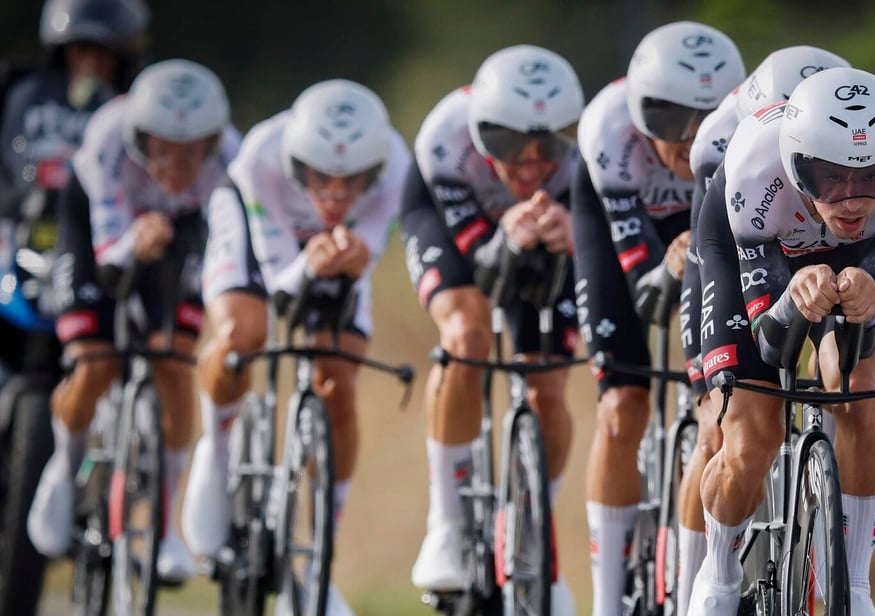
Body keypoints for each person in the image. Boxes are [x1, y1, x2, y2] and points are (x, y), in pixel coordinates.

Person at [686, 67, 875, 616]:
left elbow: (861, 337)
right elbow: (772, 345)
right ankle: (721, 575)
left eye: (872, 177)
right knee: (753, 434)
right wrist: (789, 301)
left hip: (848, 261)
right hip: (752, 243)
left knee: (858, 388)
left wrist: (869, 299)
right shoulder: (755, 174)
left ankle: (854, 586)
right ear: (799, 167)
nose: (851, 200)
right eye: (830, 178)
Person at [185, 78, 409, 615]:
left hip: (329, 250)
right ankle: (216, 455)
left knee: (340, 381)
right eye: (319, 176)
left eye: (352, 180)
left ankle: (318, 566)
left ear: (374, 169)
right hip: (256, 228)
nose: (334, 192)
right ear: (295, 162)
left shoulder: (397, 164)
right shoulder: (262, 157)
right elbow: (278, 288)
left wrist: (351, 259)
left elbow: (362, 266)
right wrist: (310, 263)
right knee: (244, 336)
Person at [26, 58, 237, 586]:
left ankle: (165, 524)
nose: (179, 164)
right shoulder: (106, 142)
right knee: (94, 365)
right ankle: (64, 468)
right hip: (102, 227)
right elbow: (109, 259)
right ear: (141, 136)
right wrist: (134, 243)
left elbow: (230, 245)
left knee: (173, 363)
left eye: (193, 151)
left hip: (182, 232)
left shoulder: (232, 157)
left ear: (213, 140)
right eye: (164, 148)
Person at [399, 44, 582, 612]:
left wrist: (574, 233)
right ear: (481, 133)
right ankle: (447, 525)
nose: (529, 166)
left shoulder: (585, 155)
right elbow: (480, 264)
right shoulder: (444, 138)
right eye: (508, 147)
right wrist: (505, 237)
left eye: (547, 145)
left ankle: (532, 531)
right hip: (453, 222)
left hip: (543, 229)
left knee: (547, 385)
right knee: (467, 336)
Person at [570, 20, 743, 616]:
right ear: (643, 114)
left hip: (706, 227)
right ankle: (608, 604)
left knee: (726, 401)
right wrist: (670, 269)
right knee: (623, 407)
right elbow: (648, 296)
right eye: (672, 122)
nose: (691, 138)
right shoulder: (608, 131)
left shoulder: (741, 138)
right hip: (628, 236)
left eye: (708, 117)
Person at [674, 45, 850, 616]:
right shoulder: (730, 144)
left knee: (846, 387)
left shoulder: (853, 151)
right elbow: (727, 256)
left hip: (816, 237)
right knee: (737, 427)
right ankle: (710, 580)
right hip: (735, 240)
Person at [0, 0, 149, 377]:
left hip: (90, 235)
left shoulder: (126, 109)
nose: (91, 64)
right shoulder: (23, 92)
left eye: (104, 54)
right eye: (82, 50)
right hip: (16, 231)